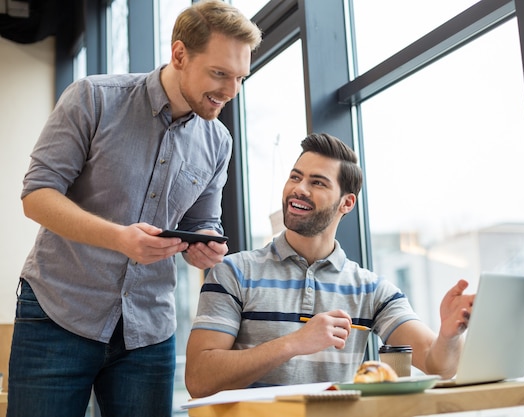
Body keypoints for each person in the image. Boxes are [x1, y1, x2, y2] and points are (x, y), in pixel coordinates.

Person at [7, 2, 262, 417]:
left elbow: (202, 221)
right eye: (219, 73)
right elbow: (37, 195)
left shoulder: (219, 141)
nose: (230, 91)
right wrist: (119, 238)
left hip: (148, 331)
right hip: (59, 314)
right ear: (179, 55)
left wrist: (206, 246)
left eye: (239, 78)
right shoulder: (93, 98)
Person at [185, 132, 475, 398]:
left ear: (347, 203)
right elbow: (199, 379)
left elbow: (438, 365)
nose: (299, 189)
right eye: (295, 177)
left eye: (317, 182)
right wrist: (293, 343)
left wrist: (449, 335)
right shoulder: (233, 273)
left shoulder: (371, 290)